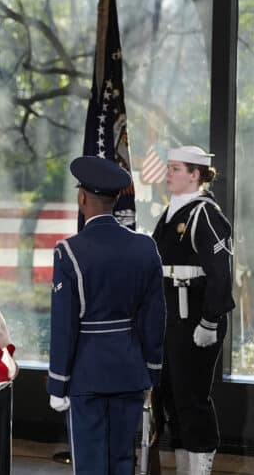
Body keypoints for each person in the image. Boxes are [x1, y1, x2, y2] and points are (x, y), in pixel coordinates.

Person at [47, 155, 166, 474]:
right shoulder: (145, 248)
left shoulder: (69, 252)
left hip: (87, 375)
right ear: (116, 199)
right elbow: (154, 321)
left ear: (81, 198)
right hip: (129, 371)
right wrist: (151, 372)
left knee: (90, 465)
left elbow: (64, 326)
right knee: (121, 462)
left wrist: (57, 384)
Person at [153, 145, 234, 475]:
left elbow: (220, 274)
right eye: (169, 167)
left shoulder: (205, 213)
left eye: (175, 168)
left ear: (195, 174)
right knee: (171, 397)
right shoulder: (173, 212)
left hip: (196, 318)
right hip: (172, 318)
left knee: (192, 398)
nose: (168, 174)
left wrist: (210, 321)